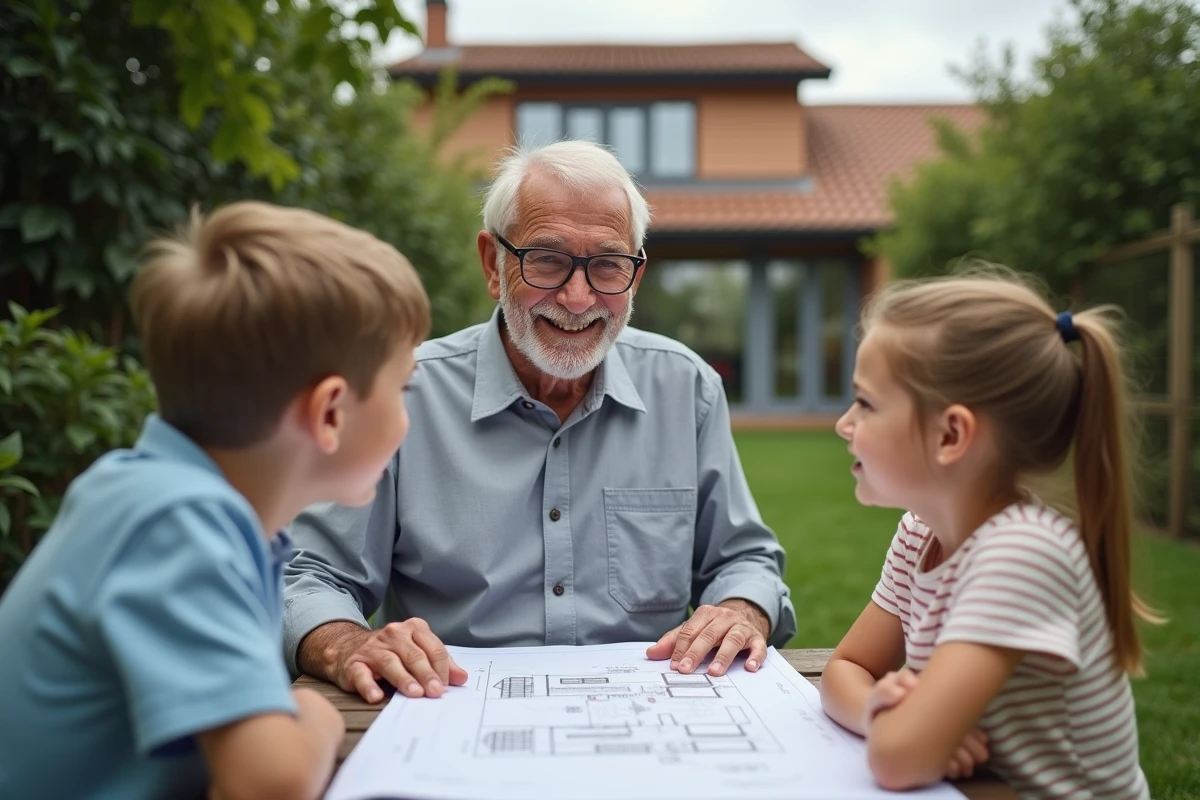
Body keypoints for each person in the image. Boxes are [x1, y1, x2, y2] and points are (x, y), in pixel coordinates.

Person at [284, 140, 798, 704]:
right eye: (548, 260)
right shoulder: (403, 395)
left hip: (645, 716)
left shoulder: (686, 388)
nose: (577, 298)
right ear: (493, 264)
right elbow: (310, 576)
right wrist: (346, 643)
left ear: (635, 276)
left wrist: (739, 610)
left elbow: (744, 560)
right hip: (452, 711)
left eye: (607, 265)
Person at [0, 201, 431, 799]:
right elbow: (271, 781)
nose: (409, 416)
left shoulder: (163, 499)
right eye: (403, 387)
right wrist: (316, 715)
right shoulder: (179, 526)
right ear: (330, 412)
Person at [820, 268, 1155, 798]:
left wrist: (903, 731)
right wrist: (876, 710)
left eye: (866, 403)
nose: (844, 423)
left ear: (951, 435)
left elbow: (898, 759)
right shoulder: (919, 534)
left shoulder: (1023, 553)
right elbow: (848, 667)